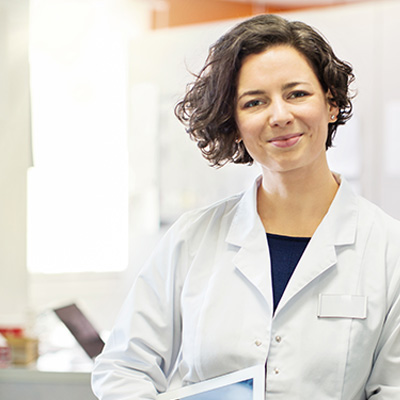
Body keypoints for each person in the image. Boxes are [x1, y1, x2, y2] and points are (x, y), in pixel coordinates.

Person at [91, 14, 400, 399]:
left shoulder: (389, 251)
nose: (280, 116)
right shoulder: (193, 238)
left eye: (297, 94)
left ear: (331, 103)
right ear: (235, 123)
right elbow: (123, 367)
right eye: (255, 102)